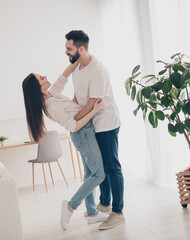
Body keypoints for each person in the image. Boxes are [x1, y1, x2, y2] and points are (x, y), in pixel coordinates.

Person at [22, 62, 108, 230]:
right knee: (99, 175)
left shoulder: (51, 94)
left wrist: (77, 60)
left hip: (84, 133)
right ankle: (70, 206)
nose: (45, 77)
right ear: (37, 88)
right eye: (41, 78)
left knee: (90, 173)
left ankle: (91, 213)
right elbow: (73, 125)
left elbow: (63, 77)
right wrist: (94, 110)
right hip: (82, 134)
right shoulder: (51, 106)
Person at [64, 30, 125, 230]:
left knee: (111, 167)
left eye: (69, 48)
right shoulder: (77, 67)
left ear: (81, 48)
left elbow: (93, 102)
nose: (66, 52)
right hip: (91, 123)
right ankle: (105, 204)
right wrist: (71, 114)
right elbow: (78, 96)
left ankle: (118, 212)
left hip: (105, 122)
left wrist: (74, 121)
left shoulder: (97, 70)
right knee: (99, 167)